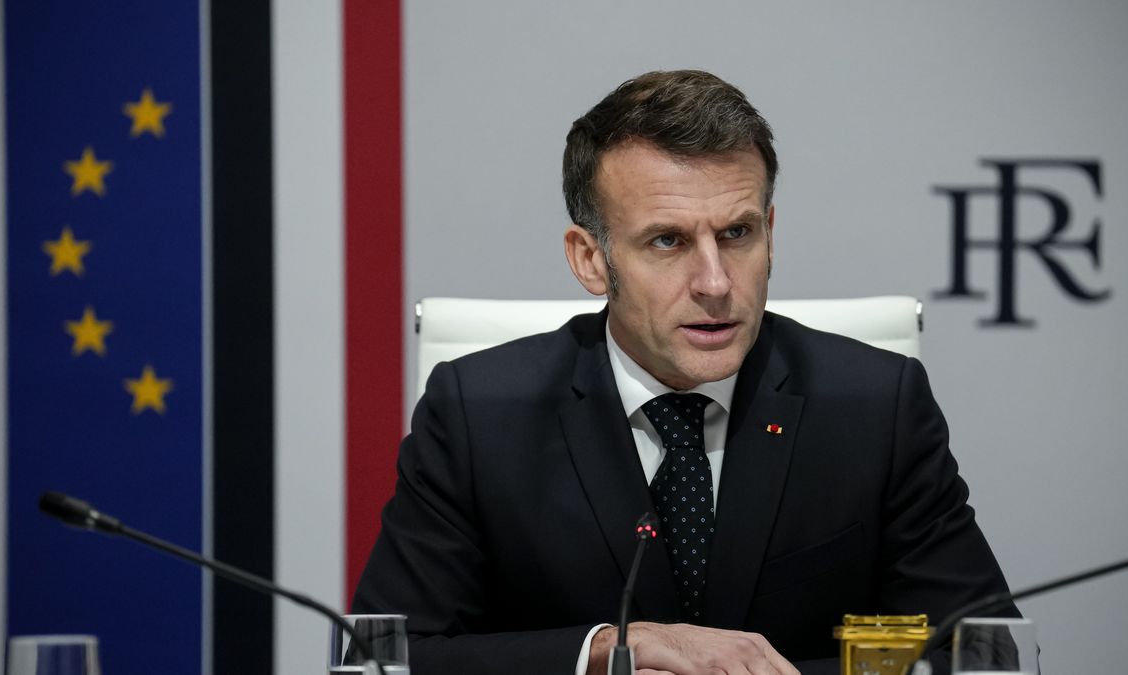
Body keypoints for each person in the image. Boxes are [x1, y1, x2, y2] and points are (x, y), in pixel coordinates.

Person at [353, 70, 1017, 675]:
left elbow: (986, 650)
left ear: (771, 233)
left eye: (737, 233)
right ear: (590, 258)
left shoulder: (874, 405)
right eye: (667, 241)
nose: (715, 281)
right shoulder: (478, 412)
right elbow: (382, 658)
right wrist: (607, 648)